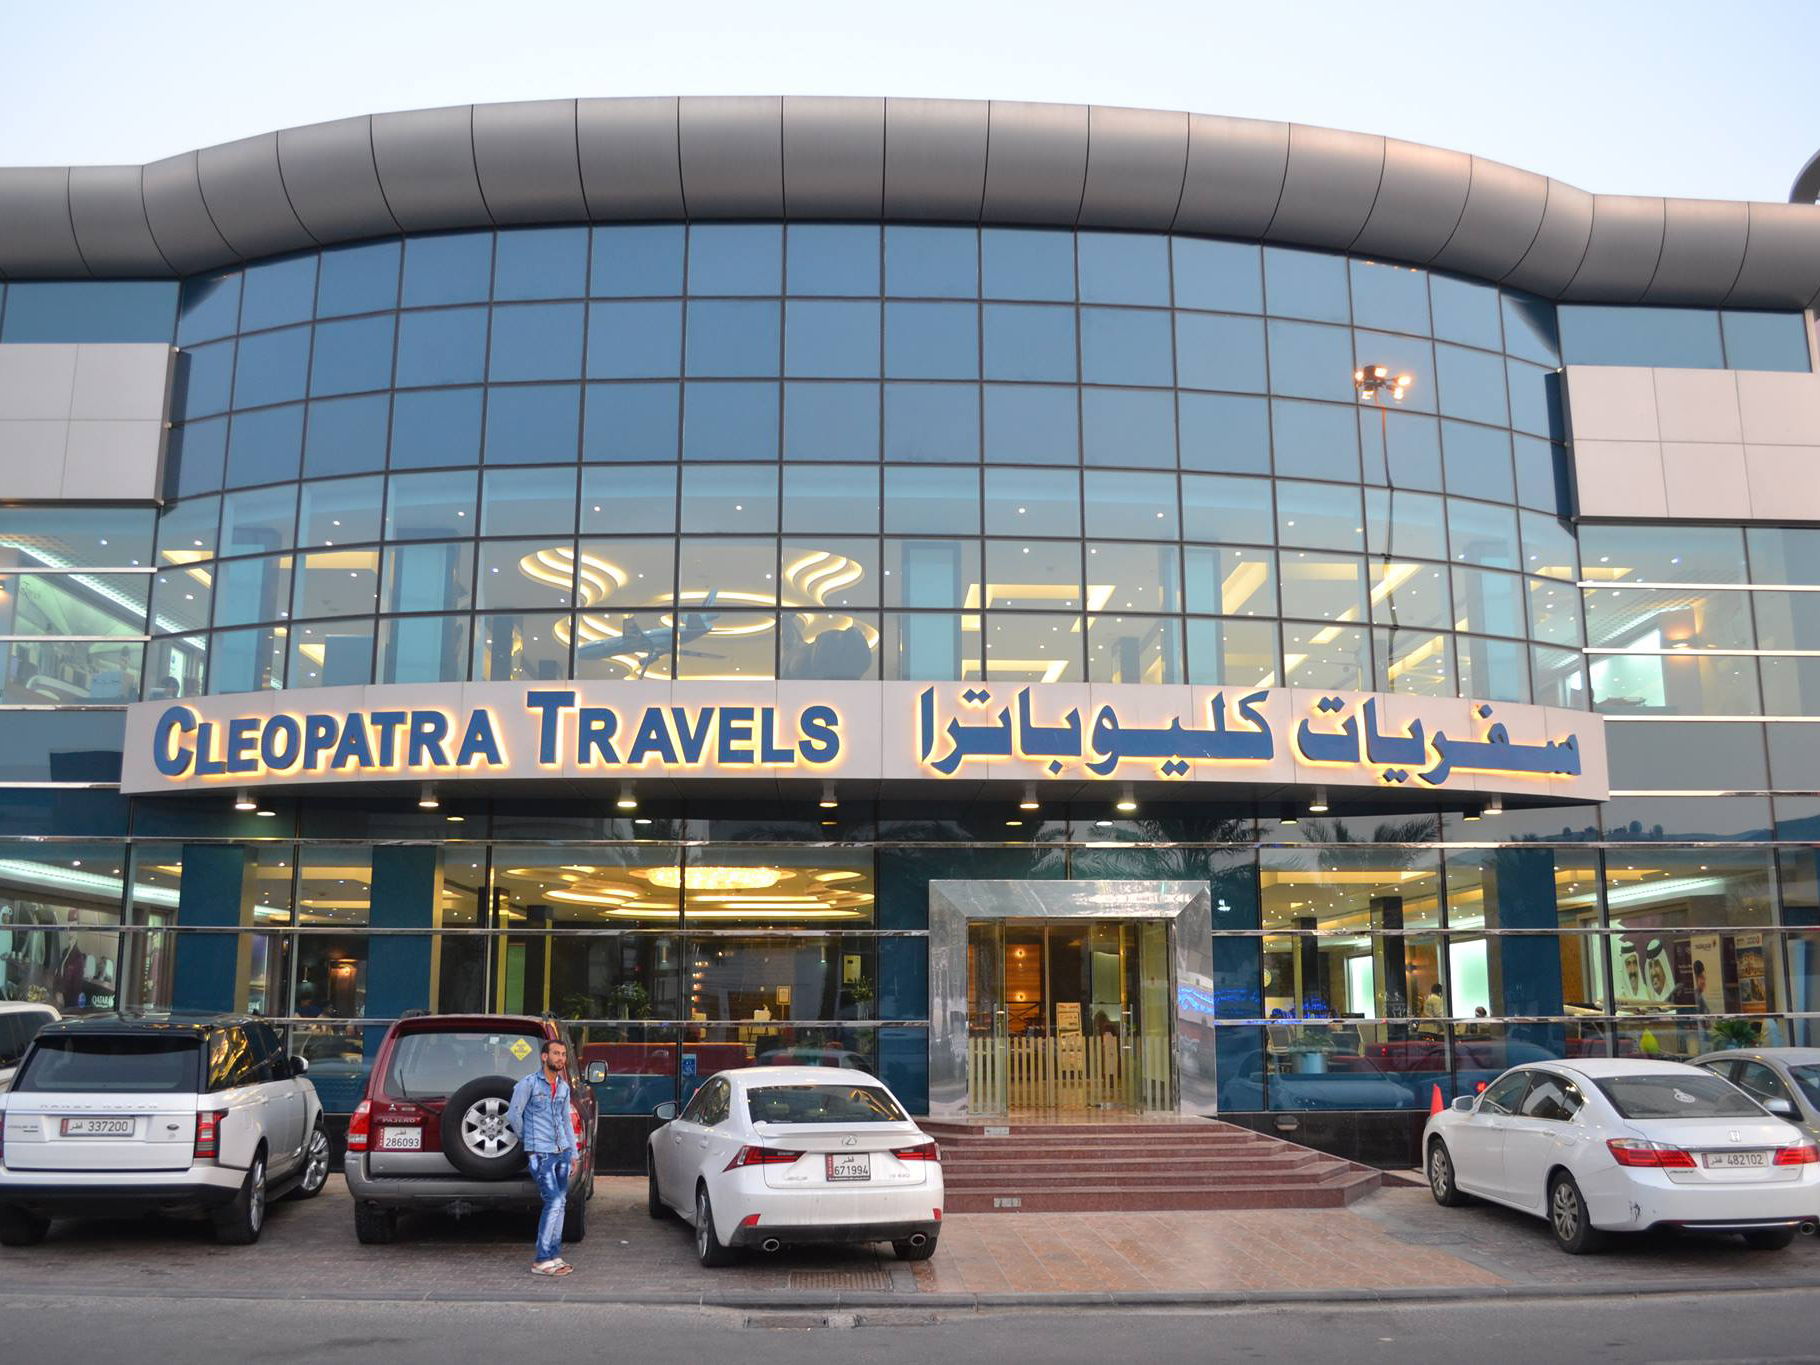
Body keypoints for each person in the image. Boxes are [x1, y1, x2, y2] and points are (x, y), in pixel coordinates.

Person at [505, 1037, 578, 1277]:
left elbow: (566, 1121)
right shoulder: (528, 1084)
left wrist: (573, 1153)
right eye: (556, 1053)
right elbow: (513, 1115)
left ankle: (554, 1256)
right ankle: (541, 1259)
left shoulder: (564, 1087)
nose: (560, 1058)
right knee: (553, 1202)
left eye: (563, 1054)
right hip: (541, 1154)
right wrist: (530, 1141)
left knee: (561, 1203)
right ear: (544, 1057)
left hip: (562, 1152)